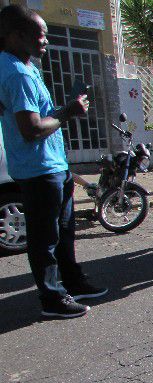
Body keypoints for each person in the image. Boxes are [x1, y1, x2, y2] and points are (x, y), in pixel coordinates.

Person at [0, 5, 107, 317]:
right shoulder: (17, 73)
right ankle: (52, 298)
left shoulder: (22, 65)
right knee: (45, 237)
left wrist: (63, 110)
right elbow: (32, 129)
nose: (45, 41)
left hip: (53, 165)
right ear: (16, 36)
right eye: (40, 35)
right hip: (38, 169)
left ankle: (72, 280)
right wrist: (67, 112)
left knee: (63, 230)